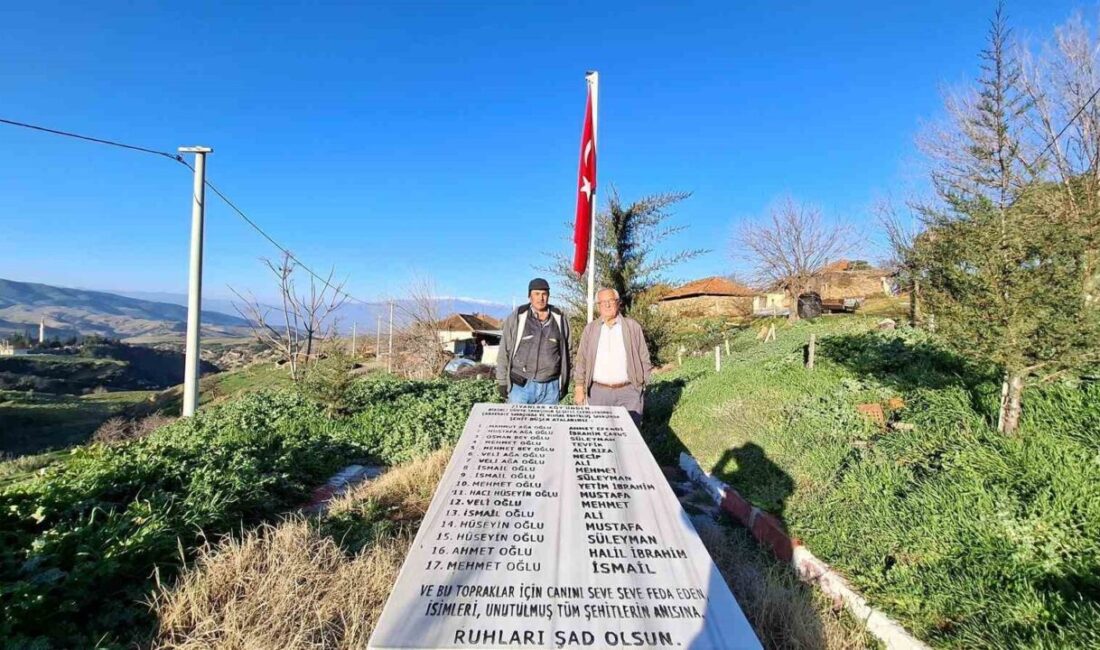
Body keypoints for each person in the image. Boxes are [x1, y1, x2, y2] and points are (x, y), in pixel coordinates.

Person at [573, 287, 652, 424]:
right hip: (598, 393)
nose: (607, 305)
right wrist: (579, 387)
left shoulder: (632, 327)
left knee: (630, 438)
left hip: (629, 393)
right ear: (598, 306)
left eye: (610, 301)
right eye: (603, 302)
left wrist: (642, 385)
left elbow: (644, 358)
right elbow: (582, 360)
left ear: (618, 302)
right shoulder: (590, 330)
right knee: (601, 438)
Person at [496, 278, 571, 404]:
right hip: (521, 387)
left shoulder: (560, 318)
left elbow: (569, 353)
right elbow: (504, 350)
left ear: (548, 296)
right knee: (517, 423)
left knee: (547, 424)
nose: (540, 298)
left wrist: (565, 383)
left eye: (544, 294)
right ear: (529, 296)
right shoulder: (518, 317)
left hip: (550, 389)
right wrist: (502, 381)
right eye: (536, 294)